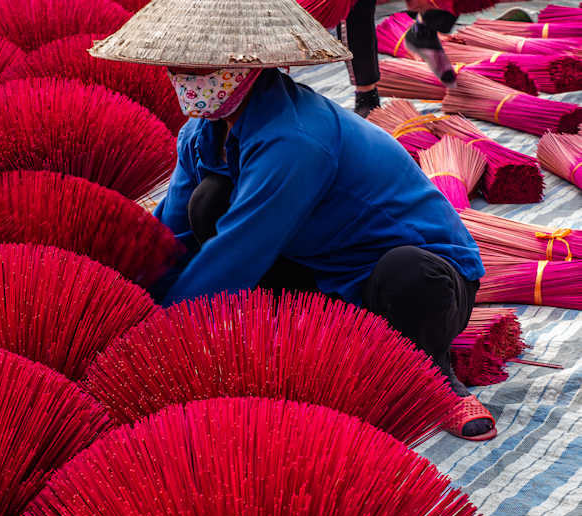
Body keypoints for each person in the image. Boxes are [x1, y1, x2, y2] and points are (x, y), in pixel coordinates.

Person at [90, 0, 495, 441]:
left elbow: (241, 251)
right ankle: (308, 344)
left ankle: (435, 380)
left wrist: (158, 337)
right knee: (209, 201)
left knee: (408, 274)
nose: (185, 78)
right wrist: (124, 309)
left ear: (244, 65)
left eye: (198, 65)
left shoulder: (296, 138)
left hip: (418, 284)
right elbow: (173, 235)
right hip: (323, 267)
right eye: (176, 66)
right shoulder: (202, 133)